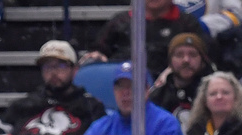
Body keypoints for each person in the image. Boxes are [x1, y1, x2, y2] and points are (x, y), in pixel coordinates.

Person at [80, 0, 209, 77]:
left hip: (170, 89)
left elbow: (202, 59)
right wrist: (97, 56)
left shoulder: (187, 23)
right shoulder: (120, 21)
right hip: (124, 84)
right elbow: (98, 50)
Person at [149, 32, 216, 131]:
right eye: (179, 55)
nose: (186, 60)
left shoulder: (215, 94)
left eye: (192, 55)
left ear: (203, 61)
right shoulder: (157, 96)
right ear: (170, 62)